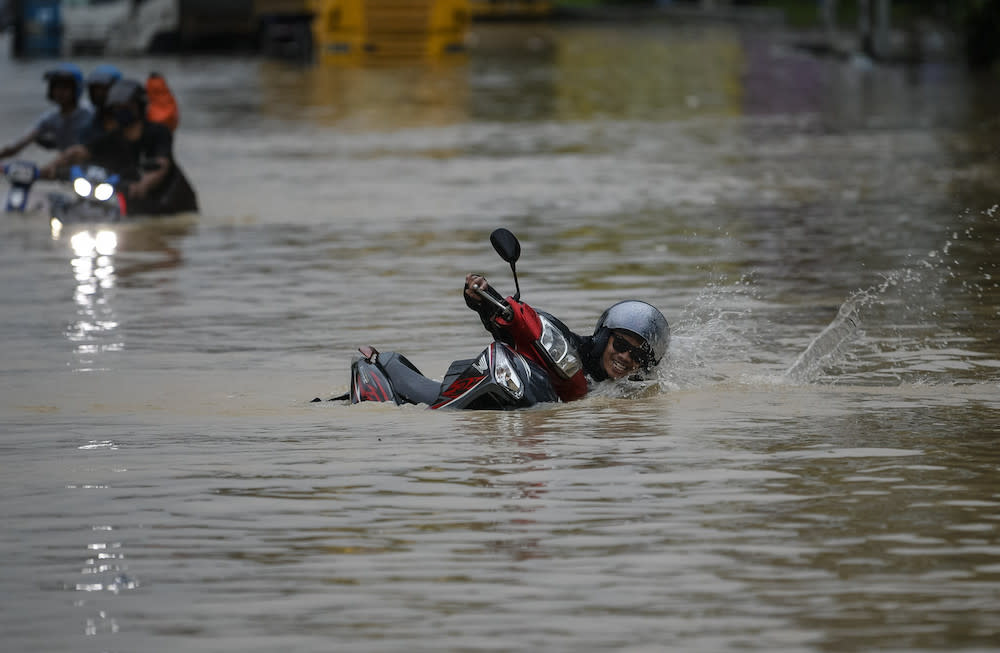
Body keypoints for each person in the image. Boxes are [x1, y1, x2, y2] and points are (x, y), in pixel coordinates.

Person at [463, 273, 669, 398]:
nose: (625, 357)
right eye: (621, 345)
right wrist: (484, 299)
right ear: (605, 338)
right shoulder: (570, 349)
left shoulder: (640, 388)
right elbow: (525, 328)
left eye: (637, 355)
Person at [39, 78, 198, 216]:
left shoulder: (157, 132)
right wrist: (51, 168)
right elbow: (78, 152)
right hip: (130, 200)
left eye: (126, 107)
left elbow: (161, 165)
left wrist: (143, 185)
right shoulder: (111, 138)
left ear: (139, 106)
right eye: (116, 107)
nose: (120, 111)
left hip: (169, 200)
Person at [0, 63, 93, 159]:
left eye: (65, 87)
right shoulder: (51, 118)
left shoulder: (89, 113)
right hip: (66, 165)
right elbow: (18, 145)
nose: (60, 92)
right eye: (56, 87)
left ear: (76, 89)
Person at [79, 64, 123, 144]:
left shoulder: (130, 122)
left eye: (104, 89)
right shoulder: (88, 125)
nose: (98, 93)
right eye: (95, 89)